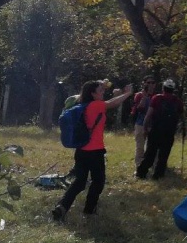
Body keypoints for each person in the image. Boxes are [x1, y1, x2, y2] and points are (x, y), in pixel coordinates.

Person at [52, 79, 132, 221]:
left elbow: (107, 100)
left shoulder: (83, 105)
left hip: (81, 150)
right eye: (100, 91)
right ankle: (89, 210)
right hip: (95, 151)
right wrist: (128, 93)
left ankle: (62, 207)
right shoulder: (96, 106)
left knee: (80, 182)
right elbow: (112, 103)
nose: (103, 92)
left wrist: (106, 86)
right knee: (98, 181)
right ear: (93, 94)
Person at [137, 79, 183, 180]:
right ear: (173, 89)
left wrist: (145, 128)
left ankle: (141, 173)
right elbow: (179, 117)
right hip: (169, 133)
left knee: (150, 154)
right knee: (163, 156)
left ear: (163, 88)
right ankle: (158, 176)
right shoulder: (178, 101)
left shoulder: (157, 98)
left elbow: (148, 115)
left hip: (156, 131)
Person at [131, 77, 157, 168]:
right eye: (148, 82)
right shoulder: (139, 95)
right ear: (144, 83)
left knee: (152, 147)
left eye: (152, 82)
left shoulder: (157, 96)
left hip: (152, 125)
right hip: (140, 124)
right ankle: (139, 166)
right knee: (140, 147)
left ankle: (152, 165)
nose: (150, 85)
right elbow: (139, 109)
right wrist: (144, 97)